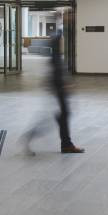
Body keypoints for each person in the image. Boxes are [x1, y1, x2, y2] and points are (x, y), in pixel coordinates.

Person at [24, 24, 84, 154]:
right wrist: (64, 84)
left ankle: (66, 144)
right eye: (62, 40)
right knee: (57, 117)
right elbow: (57, 70)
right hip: (59, 87)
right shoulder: (56, 54)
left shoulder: (56, 54)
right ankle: (32, 136)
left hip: (58, 87)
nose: (64, 41)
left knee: (62, 115)